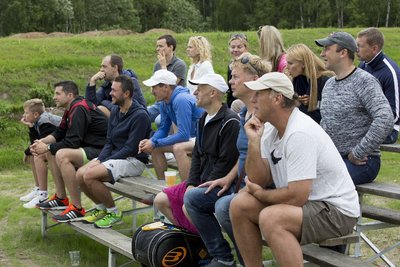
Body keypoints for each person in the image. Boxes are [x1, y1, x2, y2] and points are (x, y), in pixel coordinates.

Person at [230, 72, 360, 267]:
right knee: (240, 205)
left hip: (336, 211)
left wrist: (262, 195)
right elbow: (258, 179)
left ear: (277, 98)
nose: (252, 98)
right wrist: (254, 142)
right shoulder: (271, 128)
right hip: (309, 204)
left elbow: (297, 196)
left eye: (258, 93)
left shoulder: (299, 132)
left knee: (272, 218)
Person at [153, 73, 240, 267]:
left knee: (189, 202)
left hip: (225, 184)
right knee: (161, 200)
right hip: (203, 180)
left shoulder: (230, 121)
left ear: (213, 93)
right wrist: (192, 183)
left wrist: (197, 187)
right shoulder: (203, 119)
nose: (195, 92)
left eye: (200, 88)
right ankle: (197, 246)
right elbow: (199, 157)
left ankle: (221, 256)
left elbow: (226, 162)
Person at [196, 53, 271, 266]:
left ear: (254, 80)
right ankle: (223, 257)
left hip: (262, 187)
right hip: (241, 184)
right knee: (194, 198)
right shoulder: (244, 112)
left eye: (235, 77)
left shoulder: (266, 116)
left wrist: (245, 188)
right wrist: (228, 178)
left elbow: (268, 164)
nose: (230, 81)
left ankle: (249, 261)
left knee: (224, 206)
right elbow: (242, 155)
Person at [315, 31, 393, 185]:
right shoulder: (329, 84)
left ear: (343, 53)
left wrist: (358, 152)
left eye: (327, 49)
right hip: (334, 158)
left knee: (320, 185)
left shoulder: (365, 81)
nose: (322, 53)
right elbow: (326, 123)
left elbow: (385, 118)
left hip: (363, 162)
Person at [75, 75, 152, 228]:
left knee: (89, 175)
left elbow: (130, 148)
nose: (110, 93)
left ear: (126, 93)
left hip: (134, 160)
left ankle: (114, 212)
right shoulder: (116, 110)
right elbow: (109, 141)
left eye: (114, 91)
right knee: (79, 175)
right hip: (116, 156)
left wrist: (104, 161)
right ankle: (101, 209)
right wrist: (99, 160)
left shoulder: (140, 115)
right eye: (111, 90)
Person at [31, 81, 108, 222]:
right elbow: (59, 132)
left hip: (101, 151)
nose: (54, 97)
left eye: (58, 94)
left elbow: (73, 142)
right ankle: (61, 198)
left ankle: (77, 208)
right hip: (89, 148)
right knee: (49, 151)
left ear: (70, 95)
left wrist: (47, 147)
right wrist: (42, 143)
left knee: (62, 154)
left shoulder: (79, 108)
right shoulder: (71, 107)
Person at [139, 70, 204, 181]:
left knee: (177, 148)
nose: (152, 91)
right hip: (192, 140)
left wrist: (154, 142)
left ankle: (186, 189)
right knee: (155, 148)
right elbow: (163, 128)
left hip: (204, 140)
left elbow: (183, 135)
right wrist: (152, 141)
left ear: (166, 87)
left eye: (154, 87)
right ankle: (162, 186)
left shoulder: (181, 99)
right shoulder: (165, 102)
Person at [356, 27, 400, 144]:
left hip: (389, 130)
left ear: (374, 48)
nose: (357, 49)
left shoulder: (390, 72)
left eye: (360, 46)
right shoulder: (363, 65)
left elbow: (395, 115)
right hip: (365, 125)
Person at [20, 99, 61, 208]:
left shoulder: (45, 122)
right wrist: (30, 126)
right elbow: (37, 141)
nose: (24, 115)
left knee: (38, 154)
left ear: (36, 114)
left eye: (26, 112)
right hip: (57, 146)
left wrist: (28, 151)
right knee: (33, 153)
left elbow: (44, 143)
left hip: (66, 146)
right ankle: (38, 189)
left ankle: (43, 194)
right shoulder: (38, 121)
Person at [286, 44, 334, 123]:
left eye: (290, 63)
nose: (287, 67)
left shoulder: (324, 81)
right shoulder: (298, 78)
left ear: (303, 64)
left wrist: (315, 103)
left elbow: (334, 108)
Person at [147, 35, 188, 125]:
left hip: (174, 104)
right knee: (141, 114)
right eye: (157, 46)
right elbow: (152, 89)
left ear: (170, 47)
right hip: (160, 103)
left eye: (161, 46)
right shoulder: (157, 65)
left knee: (159, 120)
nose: (158, 49)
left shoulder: (180, 65)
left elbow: (168, 88)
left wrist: (163, 66)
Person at [226, 33, 249, 108]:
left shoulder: (250, 64)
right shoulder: (230, 65)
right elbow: (230, 90)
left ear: (246, 48)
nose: (235, 50)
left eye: (239, 47)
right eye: (233, 47)